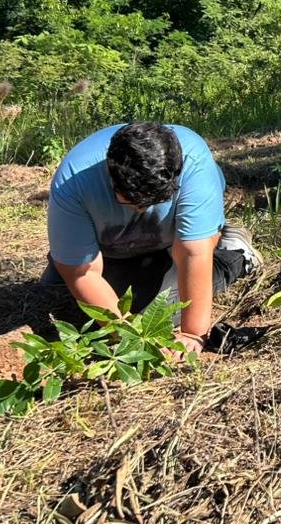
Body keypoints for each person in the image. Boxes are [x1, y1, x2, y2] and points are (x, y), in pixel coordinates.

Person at [40, 122, 259, 358]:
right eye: (128, 200)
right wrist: (132, 339)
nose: (140, 209)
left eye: (154, 201)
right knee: (58, 297)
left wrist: (193, 333)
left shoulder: (195, 163)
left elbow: (192, 253)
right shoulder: (73, 182)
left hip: (173, 242)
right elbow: (81, 273)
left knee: (148, 310)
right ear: (110, 175)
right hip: (110, 250)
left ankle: (235, 254)